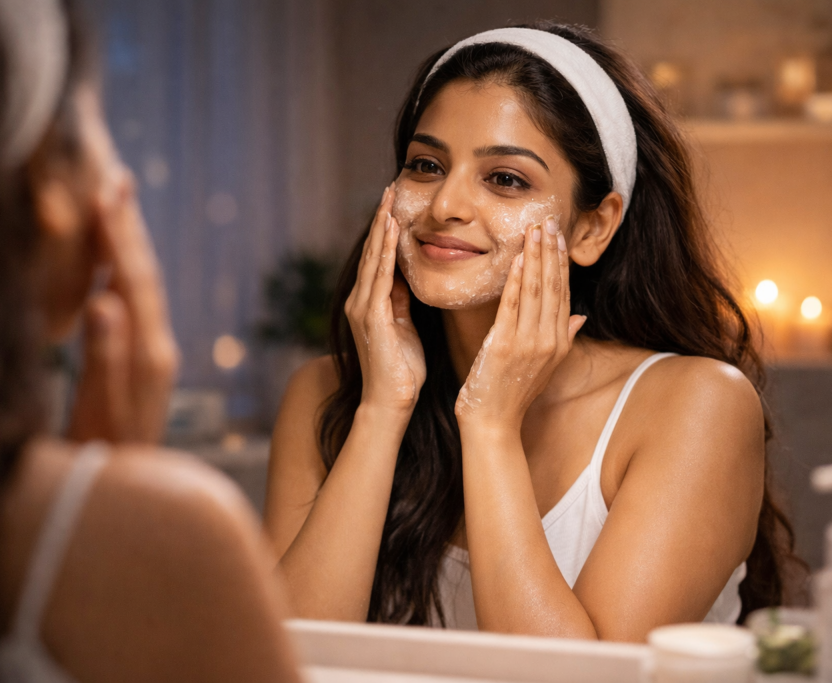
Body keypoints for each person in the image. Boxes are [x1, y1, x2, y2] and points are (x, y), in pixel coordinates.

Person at [265, 22, 799, 641]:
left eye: (506, 179)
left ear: (592, 228)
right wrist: (383, 408)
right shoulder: (326, 394)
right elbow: (283, 661)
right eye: (426, 165)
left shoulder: (697, 404)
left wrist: (490, 426)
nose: (445, 206)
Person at [0, 0, 301, 680]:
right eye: (101, 119)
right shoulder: (176, 533)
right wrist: (104, 518)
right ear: (44, 171)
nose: (122, 177)